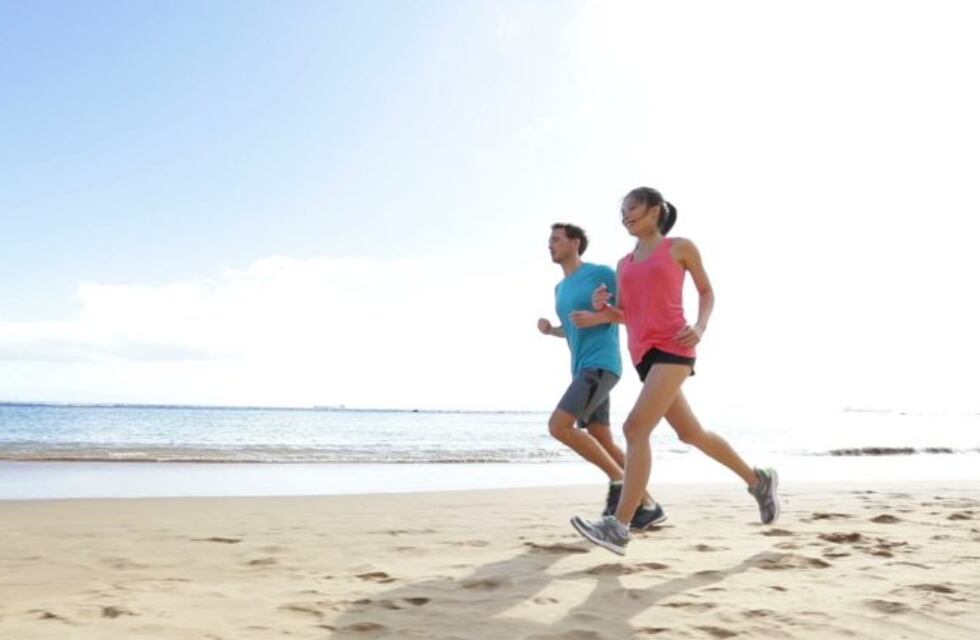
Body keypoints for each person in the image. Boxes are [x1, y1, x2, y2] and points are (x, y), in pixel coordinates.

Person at [569, 188, 779, 556]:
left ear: (655, 210)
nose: (625, 215)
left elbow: (707, 291)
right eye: (622, 210)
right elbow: (628, 314)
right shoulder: (624, 264)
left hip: (675, 346)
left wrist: (700, 326)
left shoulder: (679, 247)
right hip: (644, 356)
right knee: (691, 433)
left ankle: (618, 525)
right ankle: (757, 480)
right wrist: (604, 308)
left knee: (635, 428)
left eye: (632, 207)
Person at [538, 223, 666, 529]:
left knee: (559, 425)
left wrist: (600, 314)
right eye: (549, 240)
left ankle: (619, 481)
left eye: (555, 239)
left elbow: (631, 312)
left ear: (575, 242)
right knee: (601, 437)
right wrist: (551, 331)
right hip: (582, 367)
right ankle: (648, 504)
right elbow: (573, 328)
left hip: (602, 364)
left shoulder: (601, 273)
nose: (549, 245)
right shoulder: (560, 289)